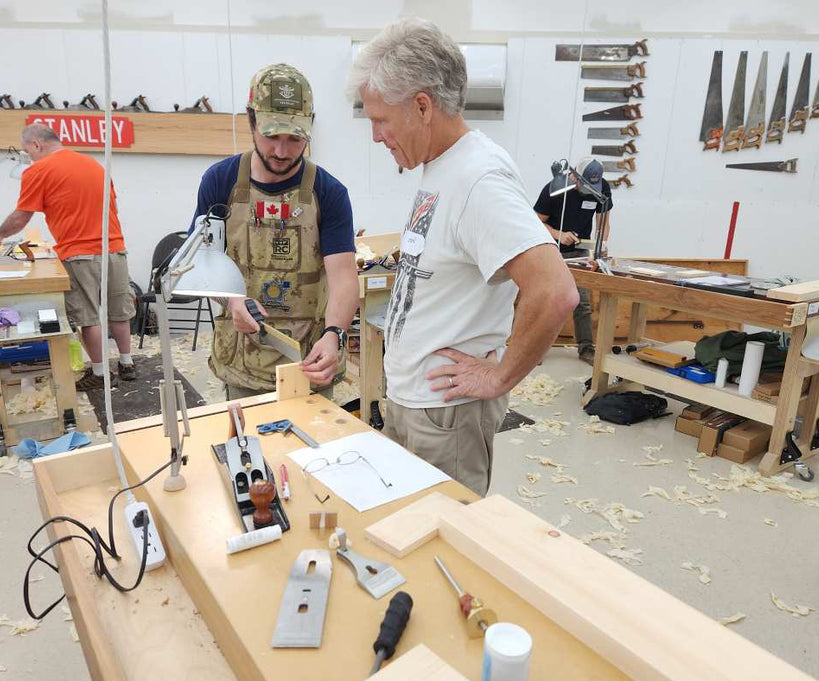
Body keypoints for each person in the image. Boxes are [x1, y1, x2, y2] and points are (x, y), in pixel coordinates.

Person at [348, 18, 579, 497]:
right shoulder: (443, 168)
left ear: (422, 106)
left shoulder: (478, 180)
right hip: (418, 403)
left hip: (446, 416)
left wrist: (499, 374)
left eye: (380, 120)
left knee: (443, 541)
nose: (375, 136)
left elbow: (555, 291)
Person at [191, 63, 359, 399]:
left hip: (309, 363)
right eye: (271, 137)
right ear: (251, 121)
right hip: (242, 360)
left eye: (295, 139)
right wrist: (233, 300)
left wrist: (334, 334)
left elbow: (343, 276)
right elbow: (202, 258)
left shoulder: (329, 193)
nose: (282, 152)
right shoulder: (221, 182)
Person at [0, 124, 136, 390]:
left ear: (37, 145)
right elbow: (114, 206)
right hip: (114, 249)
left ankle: (100, 374)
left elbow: (22, 215)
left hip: (79, 254)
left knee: (88, 317)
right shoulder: (94, 165)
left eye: (27, 151)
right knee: (118, 312)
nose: (28, 158)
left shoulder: (38, 171)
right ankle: (127, 362)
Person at [533, 157, 613, 365]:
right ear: (575, 176)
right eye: (586, 184)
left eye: (593, 185)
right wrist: (559, 234)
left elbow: (604, 223)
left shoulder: (601, 189)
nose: (590, 189)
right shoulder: (555, 189)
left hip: (580, 253)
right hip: (551, 250)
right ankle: (536, 350)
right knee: (548, 301)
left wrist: (600, 248)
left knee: (582, 302)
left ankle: (586, 348)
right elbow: (535, 222)